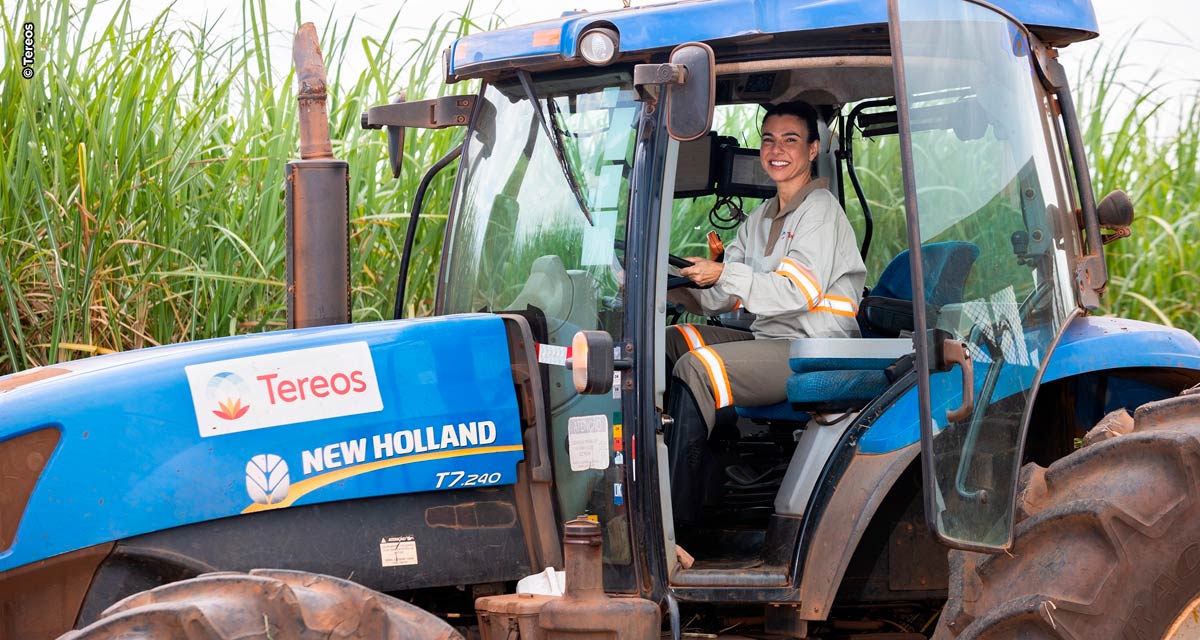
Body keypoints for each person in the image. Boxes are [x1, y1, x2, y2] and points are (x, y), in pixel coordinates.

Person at [664, 101, 866, 521]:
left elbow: (796, 292)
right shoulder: (759, 219)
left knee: (698, 368)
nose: (777, 149)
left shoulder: (821, 211)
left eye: (790, 140)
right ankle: (699, 473)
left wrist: (723, 273)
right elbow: (725, 297)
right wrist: (679, 287)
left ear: (812, 150)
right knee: (669, 344)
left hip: (811, 346)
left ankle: (677, 520)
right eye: (769, 139)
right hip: (772, 338)